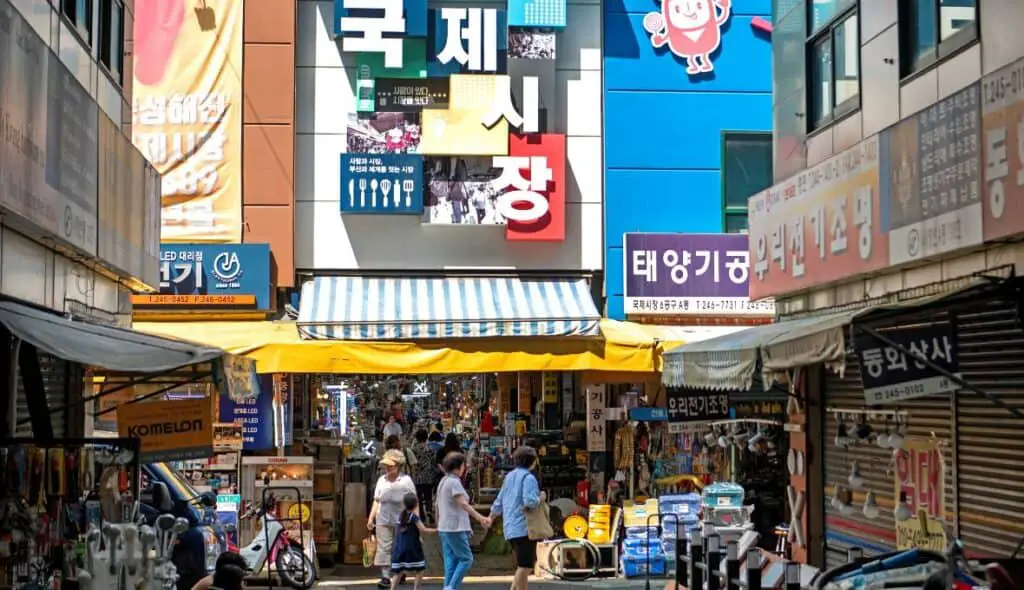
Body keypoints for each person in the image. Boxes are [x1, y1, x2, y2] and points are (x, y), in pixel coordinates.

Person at [490, 446, 544, 590]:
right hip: (524, 527)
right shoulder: (529, 478)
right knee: (525, 566)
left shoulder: (509, 476)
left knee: (523, 565)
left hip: (510, 526)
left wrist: (491, 517)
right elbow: (530, 501)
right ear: (533, 461)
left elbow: (499, 500)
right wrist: (541, 498)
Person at [436, 452, 491, 590]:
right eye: (464, 465)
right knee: (466, 559)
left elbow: (437, 506)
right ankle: (451, 588)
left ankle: (448, 587)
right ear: (459, 466)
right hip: (455, 528)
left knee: (451, 563)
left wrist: (438, 523)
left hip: (445, 527)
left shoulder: (443, 481)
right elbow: (463, 504)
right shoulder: (454, 482)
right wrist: (481, 518)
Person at [368, 450, 417, 589]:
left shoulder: (406, 481)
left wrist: (415, 519)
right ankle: (385, 576)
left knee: (400, 548)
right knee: (384, 547)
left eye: (391, 465)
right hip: (382, 518)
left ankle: (399, 573)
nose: (388, 468)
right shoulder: (381, 480)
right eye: (386, 466)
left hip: (401, 520)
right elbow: (376, 501)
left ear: (398, 465)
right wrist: (371, 518)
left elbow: (414, 501)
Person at [390, 492, 435, 590]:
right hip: (412, 548)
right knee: (420, 569)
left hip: (399, 548)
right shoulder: (414, 517)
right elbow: (423, 529)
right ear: (416, 504)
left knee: (398, 571)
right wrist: (436, 530)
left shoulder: (400, 516)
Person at [411, 429, 439, 523]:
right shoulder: (430, 449)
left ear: (417, 438)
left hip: (417, 476)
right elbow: (434, 462)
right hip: (428, 476)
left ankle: (421, 515)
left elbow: (411, 463)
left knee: (418, 496)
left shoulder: (413, 450)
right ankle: (429, 511)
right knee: (428, 495)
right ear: (426, 438)